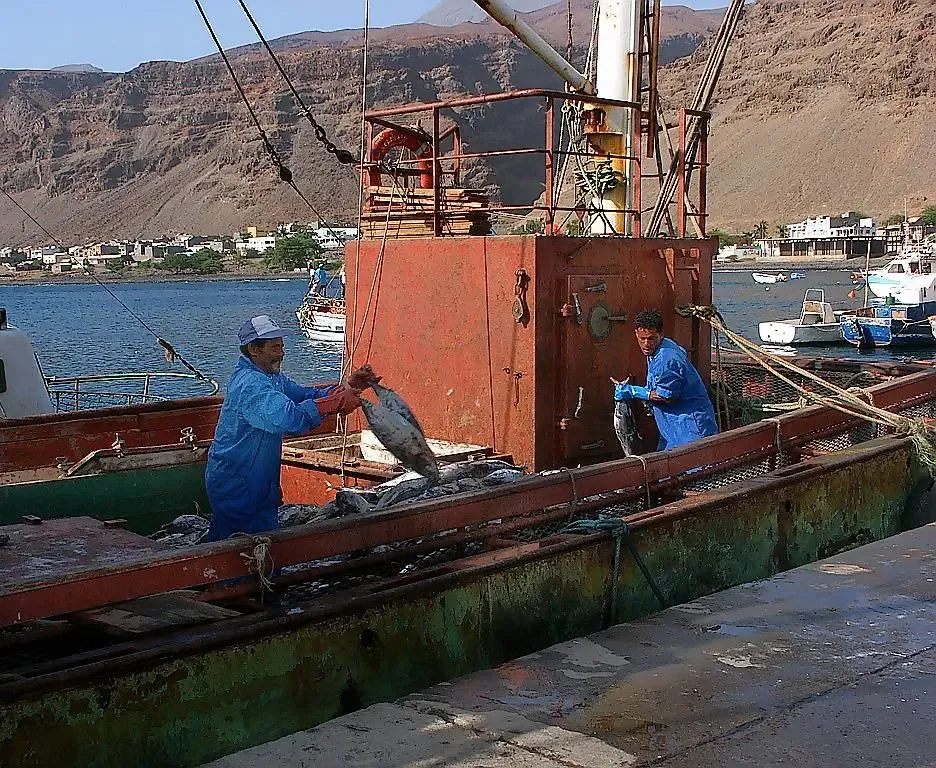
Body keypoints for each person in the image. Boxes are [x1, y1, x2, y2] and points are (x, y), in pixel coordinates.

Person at [205, 314, 376, 541]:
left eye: (282, 347)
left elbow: (306, 395)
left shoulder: (270, 377)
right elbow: (289, 418)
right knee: (239, 547)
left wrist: (347, 387)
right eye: (275, 348)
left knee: (257, 543)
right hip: (236, 480)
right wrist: (334, 403)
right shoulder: (251, 384)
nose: (282, 353)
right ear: (254, 350)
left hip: (258, 479)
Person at [613, 309, 717, 451]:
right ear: (636, 334)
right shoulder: (661, 347)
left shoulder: (666, 360)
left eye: (651, 338)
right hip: (670, 425)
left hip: (689, 424)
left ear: (660, 335)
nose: (646, 344)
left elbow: (667, 397)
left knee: (694, 465)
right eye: (642, 339)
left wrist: (634, 391)